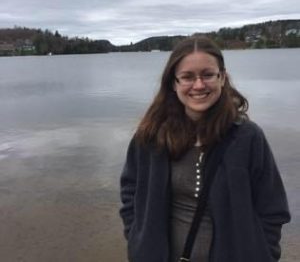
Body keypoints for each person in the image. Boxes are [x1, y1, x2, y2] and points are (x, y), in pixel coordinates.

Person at [119, 36, 291, 262]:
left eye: (208, 75)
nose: (199, 85)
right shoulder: (151, 137)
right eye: (188, 77)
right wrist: (137, 239)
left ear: (222, 77)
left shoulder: (248, 138)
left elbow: (272, 207)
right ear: (174, 83)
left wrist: (264, 253)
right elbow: (130, 192)